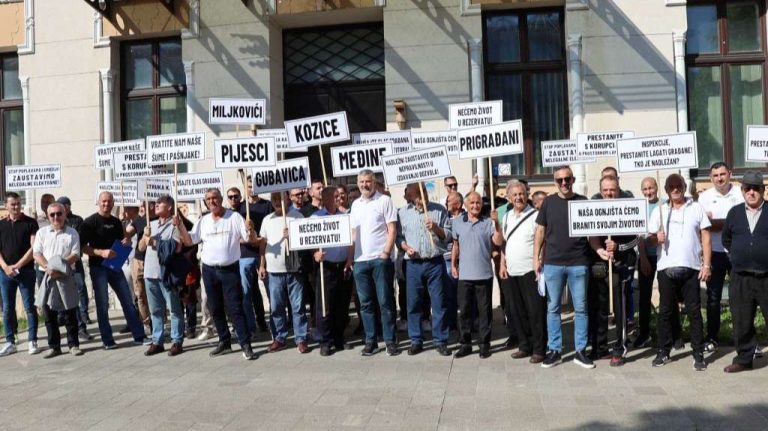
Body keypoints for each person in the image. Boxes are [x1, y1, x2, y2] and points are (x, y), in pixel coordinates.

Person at [176, 188, 258, 360]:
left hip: (229, 270)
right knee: (215, 308)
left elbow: (251, 239)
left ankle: (245, 344)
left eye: (214, 198)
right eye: (208, 199)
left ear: (221, 199)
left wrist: (251, 230)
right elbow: (190, 240)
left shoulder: (234, 218)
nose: (212, 201)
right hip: (209, 270)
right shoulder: (203, 221)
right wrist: (180, 226)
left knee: (235, 308)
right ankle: (224, 341)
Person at [648, 174, 711, 370]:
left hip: (691, 267)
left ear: (684, 187)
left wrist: (706, 265)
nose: (675, 189)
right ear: (666, 190)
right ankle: (663, 351)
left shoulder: (696, 207)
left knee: (694, 312)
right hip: (666, 268)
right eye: (671, 186)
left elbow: (706, 238)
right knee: (665, 312)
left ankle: (698, 353)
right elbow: (649, 239)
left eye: (679, 186)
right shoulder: (660, 210)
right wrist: (655, 238)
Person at [534, 166, 594, 369]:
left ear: (573, 179)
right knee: (553, 309)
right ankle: (555, 350)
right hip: (553, 263)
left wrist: (600, 250)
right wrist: (536, 258)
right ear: (555, 182)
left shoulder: (582, 202)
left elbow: (591, 233)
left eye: (567, 179)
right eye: (559, 180)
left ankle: (580, 351)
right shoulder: (548, 203)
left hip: (578, 262)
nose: (564, 183)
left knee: (581, 309)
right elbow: (540, 232)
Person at [80, 192, 148, 349]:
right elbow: (83, 248)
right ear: (98, 202)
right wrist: (101, 252)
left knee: (128, 301)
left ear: (113, 203)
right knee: (103, 305)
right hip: (98, 268)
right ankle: (107, 340)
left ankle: (139, 335)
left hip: (115, 267)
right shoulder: (89, 222)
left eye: (109, 201)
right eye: (103, 201)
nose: (106, 204)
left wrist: (126, 241)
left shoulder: (117, 222)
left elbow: (122, 240)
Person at [346, 169, 400, 357]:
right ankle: (371, 341)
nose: (364, 185)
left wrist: (385, 253)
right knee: (365, 304)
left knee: (385, 302)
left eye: (367, 181)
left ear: (374, 182)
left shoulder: (384, 201)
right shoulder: (355, 205)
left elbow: (392, 229)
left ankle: (390, 341)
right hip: (360, 262)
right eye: (361, 182)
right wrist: (350, 258)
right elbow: (353, 234)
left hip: (380, 260)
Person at [588, 176, 638, 367]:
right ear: (601, 191)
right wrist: (599, 249)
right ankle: (599, 347)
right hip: (601, 264)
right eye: (606, 190)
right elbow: (591, 234)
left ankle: (620, 348)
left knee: (620, 308)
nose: (609, 193)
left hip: (622, 265)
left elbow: (635, 240)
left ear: (618, 189)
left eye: (613, 190)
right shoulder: (594, 208)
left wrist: (618, 247)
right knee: (600, 306)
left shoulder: (628, 208)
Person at [396, 183, 451, 356]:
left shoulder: (439, 210)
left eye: (424, 191)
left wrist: (435, 228)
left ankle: (440, 340)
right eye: (418, 193)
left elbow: (448, 235)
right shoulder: (403, 213)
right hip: (413, 264)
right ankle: (416, 340)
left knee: (439, 303)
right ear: (411, 196)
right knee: (413, 303)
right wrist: (405, 248)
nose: (423, 195)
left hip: (435, 262)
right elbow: (399, 237)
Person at [722, 171, 768, 373]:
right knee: (741, 320)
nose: (751, 192)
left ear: (763, 191)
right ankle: (744, 359)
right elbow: (726, 239)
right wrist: (738, 255)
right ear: (742, 191)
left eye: (756, 188)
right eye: (747, 188)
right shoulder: (734, 213)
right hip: (740, 276)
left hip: (766, 277)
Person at [451, 192, 503, 358]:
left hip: (484, 275)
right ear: (465, 205)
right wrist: (453, 264)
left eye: (478, 203)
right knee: (464, 312)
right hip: (465, 275)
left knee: (484, 312)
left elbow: (498, 242)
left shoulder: (488, 222)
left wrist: (497, 223)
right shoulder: (457, 223)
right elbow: (455, 245)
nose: (475, 206)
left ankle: (484, 344)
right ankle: (465, 344)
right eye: (472, 203)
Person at [499, 181, 546, 363]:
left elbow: (542, 241)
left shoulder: (536, 215)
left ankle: (539, 348)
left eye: (521, 194)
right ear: (509, 197)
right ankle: (524, 345)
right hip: (512, 271)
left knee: (535, 311)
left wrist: (539, 261)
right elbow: (505, 243)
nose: (518, 197)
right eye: (515, 195)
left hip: (530, 270)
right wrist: (502, 264)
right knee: (516, 311)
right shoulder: (507, 216)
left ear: (526, 194)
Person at [699, 162, 743, 352]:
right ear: (710, 178)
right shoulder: (704, 197)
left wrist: (715, 223)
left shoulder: (741, 192)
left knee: (742, 297)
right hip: (714, 253)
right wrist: (729, 223)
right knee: (713, 298)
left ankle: (744, 339)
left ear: (730, 174)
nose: (719, 178)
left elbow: (744, 223)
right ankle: (712, 338)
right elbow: (702, 227)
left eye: (723, 174)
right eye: (715, 175)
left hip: (738, 252)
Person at [258, 192, 309, 353]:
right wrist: (261, 265)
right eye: (273, 199)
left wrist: (293, 236)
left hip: (294, 270)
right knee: (276, 307)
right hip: (274, 271)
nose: (276, 202)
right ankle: (279, 338)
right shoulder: (267, 220)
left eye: (279, 198)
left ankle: (301, 338)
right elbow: (263, 244)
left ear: (287, 199)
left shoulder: (298, 217)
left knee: (298, 306)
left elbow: (305, 241)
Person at [32, 202, 83, 358]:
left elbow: (75, 254)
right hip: (46, 274)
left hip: (65, 274)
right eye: (52, 214)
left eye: (59, 214)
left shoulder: (72, 233)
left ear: (65, 214)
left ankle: (73, 345)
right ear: (48, 216)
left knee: (69, 310)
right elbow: (36, 253)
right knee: (49, 312)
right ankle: (54, 346)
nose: (56, 217)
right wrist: (49, 267)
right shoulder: (41, 233)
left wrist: (58, 267)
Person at [138, 195, 185, 357]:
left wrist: (155, 243)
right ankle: (157, 341)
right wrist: (145, 237)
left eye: (160, 203)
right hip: (150, 273)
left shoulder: (175, 225)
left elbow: (177, 248)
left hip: (166, 274)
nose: (156, 205)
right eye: (155, 203)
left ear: (170, 206)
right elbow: (141, 247)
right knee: (155, 310)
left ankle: (177, 340)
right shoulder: (150, 224)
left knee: (173, 309)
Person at [312, 186, 354, 356]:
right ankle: (325, 341)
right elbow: (309, 241)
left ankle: (338, 338)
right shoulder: (316, 218)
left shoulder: (344, 217)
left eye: (339, 195)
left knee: (341, 305)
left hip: (342, 265)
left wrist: (349, 259)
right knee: (325, 305)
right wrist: (315, 253)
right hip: (326, 267)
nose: (338, 198)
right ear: (326, 198)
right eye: (335, 196)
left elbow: (351, 239)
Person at [0, 192, 40, 356]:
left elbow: (33, 248)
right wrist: (5, 267)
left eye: (18, 203)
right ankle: (10, 341)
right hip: (5, 274)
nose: (16, 207)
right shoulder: (1, 225)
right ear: (6, 205)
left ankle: (32, 340)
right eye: (13, 204)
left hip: (26, 271)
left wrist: (17, 265)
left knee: (29, 306)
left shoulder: (30, 223)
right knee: (8, 308)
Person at [227, 186, 270, 335]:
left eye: (235, 196)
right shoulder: (238, 211)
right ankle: (251, 327)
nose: (233, 199)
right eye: (230, 197)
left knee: (267, 291)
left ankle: (265, 322)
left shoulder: (266, 205)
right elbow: (235, 236)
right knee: (247, 293)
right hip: (244, 256)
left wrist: (256, 238)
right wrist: (249, 238)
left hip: (263, 253)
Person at [58, 196, 92, 340]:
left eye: (64, 206)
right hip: (59, 264)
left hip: (74, 262)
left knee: (80, 287)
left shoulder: (77, 220)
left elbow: (79, 238)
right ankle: (62, 317)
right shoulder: (55, 220)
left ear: (68, 206)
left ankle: (84, 315)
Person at [124, 203, 153, 337]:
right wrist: (121, 221)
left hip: (154, 261)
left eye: (146, 204)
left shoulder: (160, 219)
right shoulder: (139, 221)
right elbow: (126, 233)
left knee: (155, 293)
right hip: (139, 261)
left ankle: (160, 322)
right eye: (141, 204)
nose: (143, 206)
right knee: (140, 294)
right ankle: (146, 323)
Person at [443, 191, 465, 330]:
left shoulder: (466, 218)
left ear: (457, 204)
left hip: (464, 260)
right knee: (449, 293)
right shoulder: (445, 219)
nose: (446, 203)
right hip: (447, 260)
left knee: (466, 294)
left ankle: (469, 322)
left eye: (449, 201)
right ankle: (451, 323)